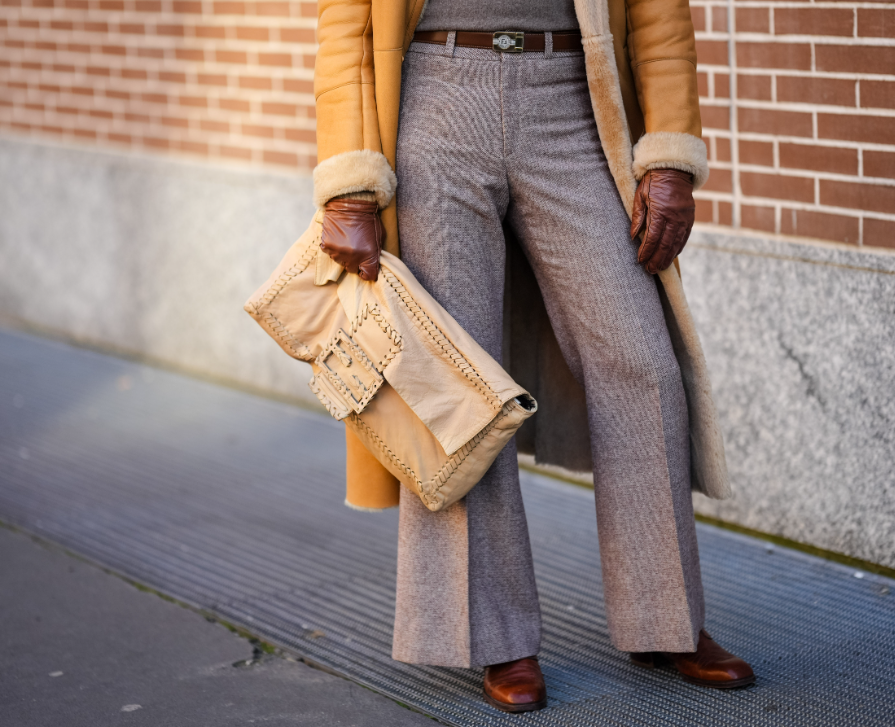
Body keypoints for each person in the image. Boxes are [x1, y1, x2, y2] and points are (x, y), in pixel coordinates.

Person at [311, 0, 755, 713]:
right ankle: (496, 633)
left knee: (641, 362)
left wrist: (669, 155)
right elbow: (346, 21)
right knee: (457, 382)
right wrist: (348, 182)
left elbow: (660, 14)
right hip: (436, 95)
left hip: (572, 99)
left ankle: (664, 617)